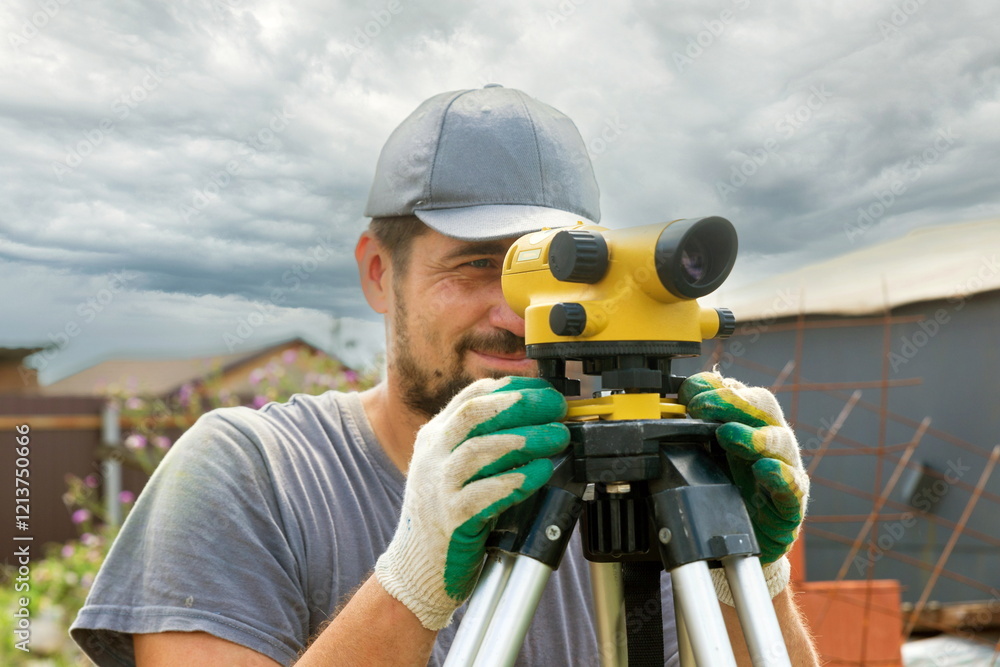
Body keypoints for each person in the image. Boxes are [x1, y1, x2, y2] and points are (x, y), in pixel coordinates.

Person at [72, 85, 819, 665]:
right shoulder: (252, 470)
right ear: (377, 273)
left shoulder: (638, 487)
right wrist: (411, 581)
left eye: (554, 266)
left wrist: (752, 574)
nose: (517, 311)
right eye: (476, 265)